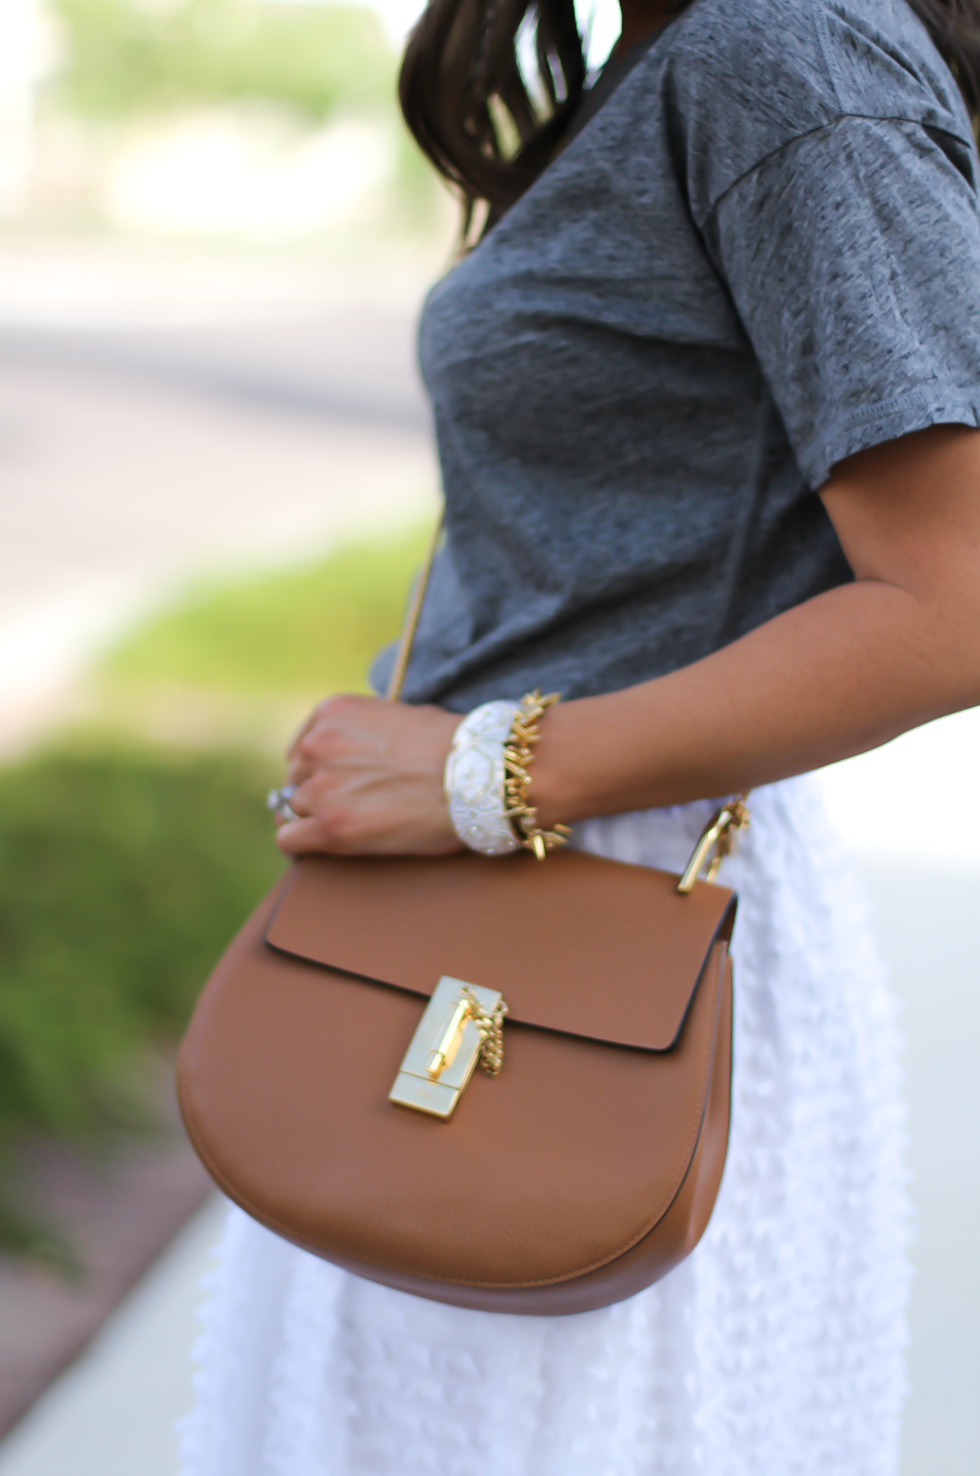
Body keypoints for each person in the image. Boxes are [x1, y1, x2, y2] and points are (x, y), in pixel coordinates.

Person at [178, 0, 980, 1469]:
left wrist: (482, 773)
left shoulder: (783, 53)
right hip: (488, 901)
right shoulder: (672, 55)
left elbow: (959, 600)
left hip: (597, 931)